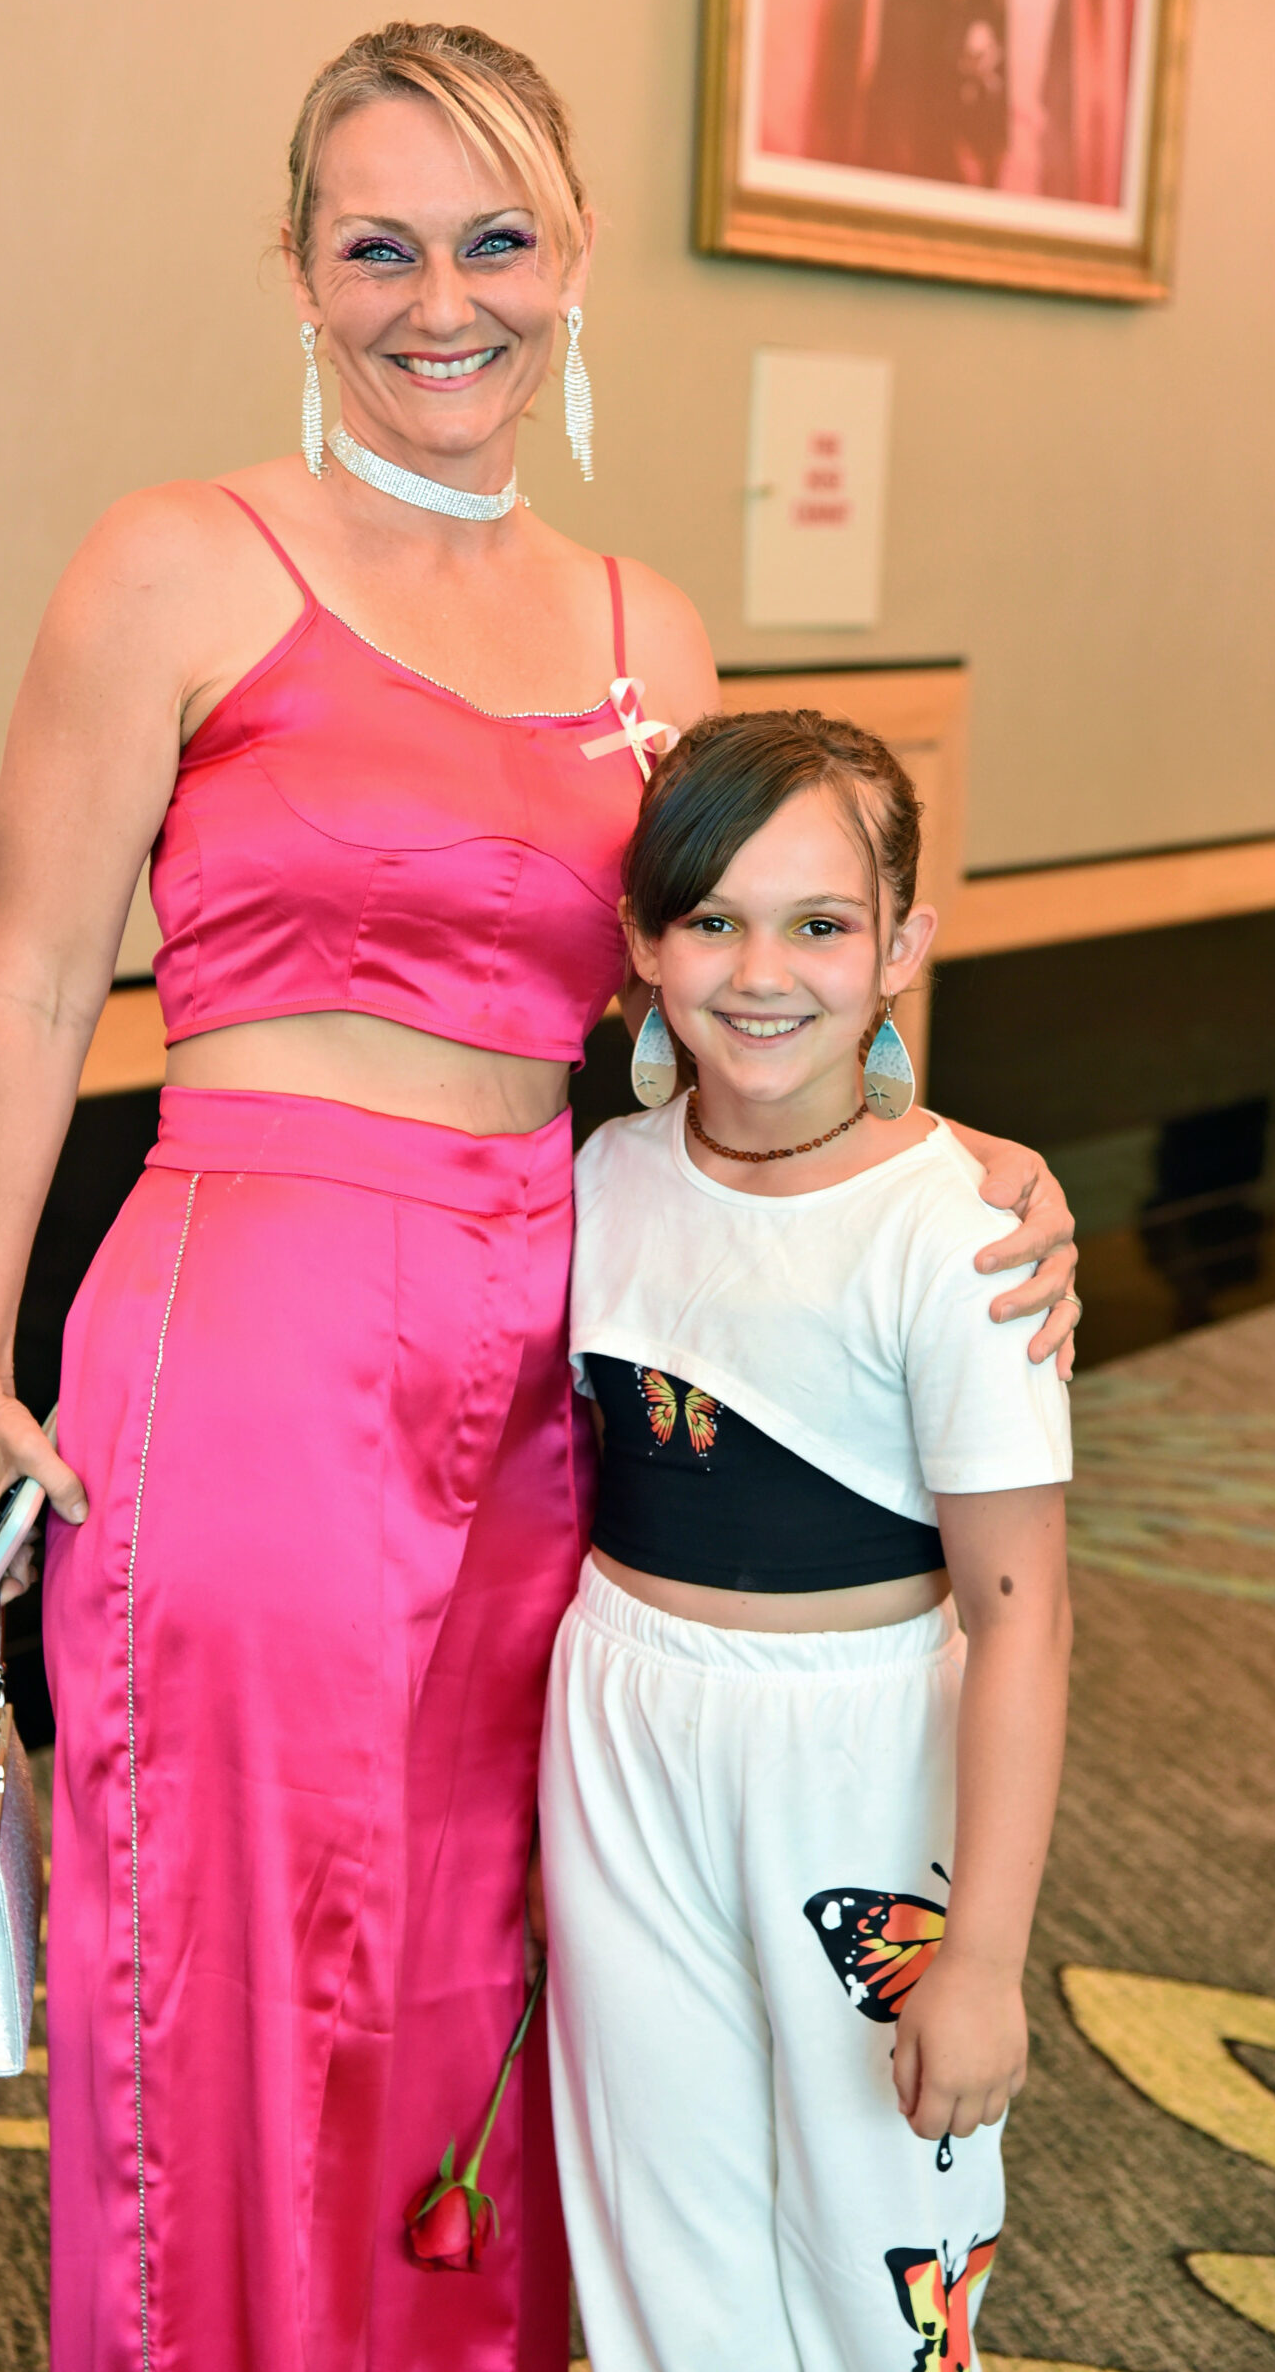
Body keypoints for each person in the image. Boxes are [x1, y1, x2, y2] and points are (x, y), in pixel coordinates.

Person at [0, 24, 1079, 2372]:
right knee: (251, 1936)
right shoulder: (178, 561)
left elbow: (728, 998)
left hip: (554, 1341)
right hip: (250, 1325)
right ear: (295, 266)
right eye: (378, 246)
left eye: (494, 240)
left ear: (572, 258)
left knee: (492, 1929)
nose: (440, 300)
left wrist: (957, 1155)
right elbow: (37, 977)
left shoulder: (655, 630)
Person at [539, 710, 1074, 2372]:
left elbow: (1023, 1615)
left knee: (876, 2232)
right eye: (710, 919)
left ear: (901, 946)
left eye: (821, 924)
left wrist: (982, 1963)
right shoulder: (602, 1178)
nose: (761, 972)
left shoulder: (959, 1229)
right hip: (618, 1721)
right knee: (656, 2216)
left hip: (859, 1746)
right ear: (640, 944)